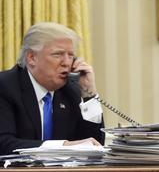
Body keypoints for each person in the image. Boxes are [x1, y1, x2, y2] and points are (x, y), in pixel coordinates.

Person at [0, 22, 105, 155]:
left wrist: (89, 95)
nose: (67, 62)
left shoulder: (71, 91)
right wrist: (63, 146)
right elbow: (4, 143)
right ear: (32, 58)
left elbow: (95, 144)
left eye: (71, 55)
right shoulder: (5, 87)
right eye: (57, 54)